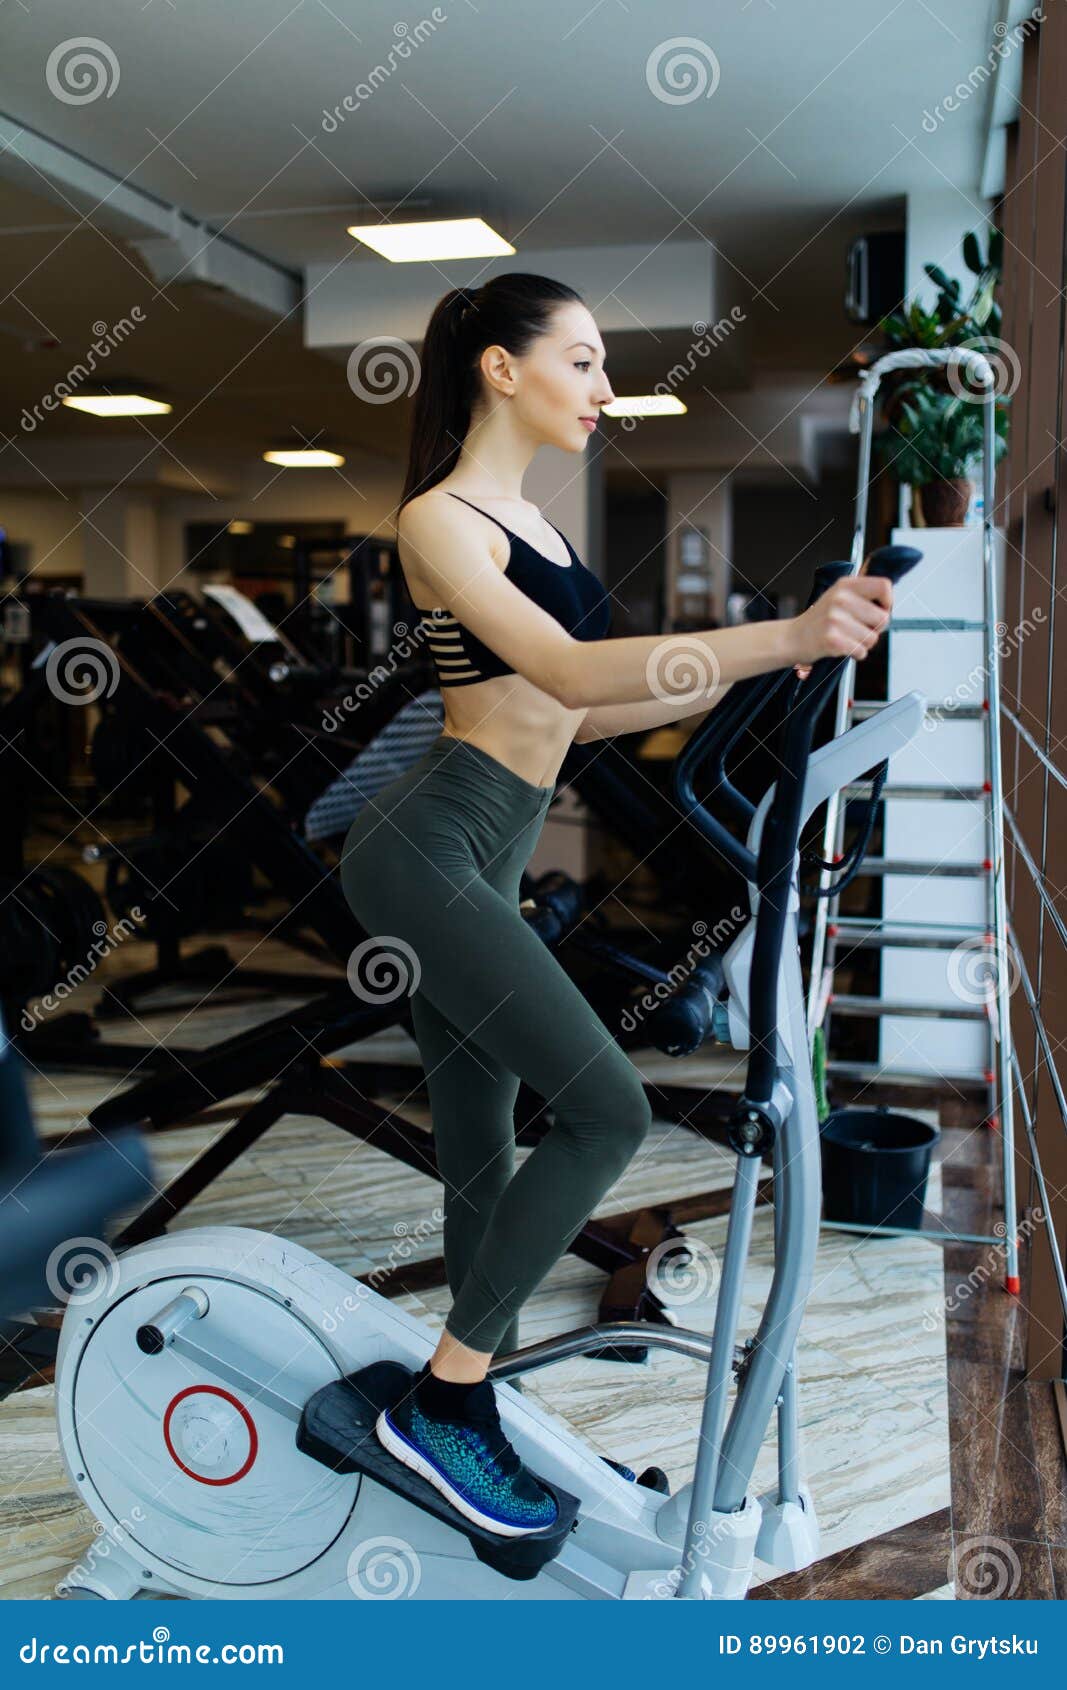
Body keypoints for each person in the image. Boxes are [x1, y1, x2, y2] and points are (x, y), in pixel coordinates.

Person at [339, 272, 892, 1537]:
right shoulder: (443, 521)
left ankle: (467, 1404)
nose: (602, 388)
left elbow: (583, 713)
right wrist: (772, 630)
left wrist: (779, 652)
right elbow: (569, 665)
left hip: (486, 844)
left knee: (480, 1144)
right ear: (499, 367)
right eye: (581, 362)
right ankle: (441, 1402)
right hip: (426, 843)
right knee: (603, 1107)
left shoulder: (539, 532)